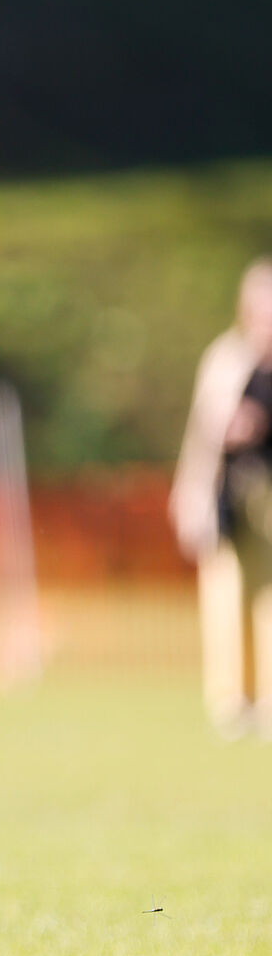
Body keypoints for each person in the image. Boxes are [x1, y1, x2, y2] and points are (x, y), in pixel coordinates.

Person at [171, 257, 272, 738]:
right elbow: (202, 434)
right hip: (232, 494)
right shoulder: (227, 358)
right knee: (228, 594)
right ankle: (234, 700)